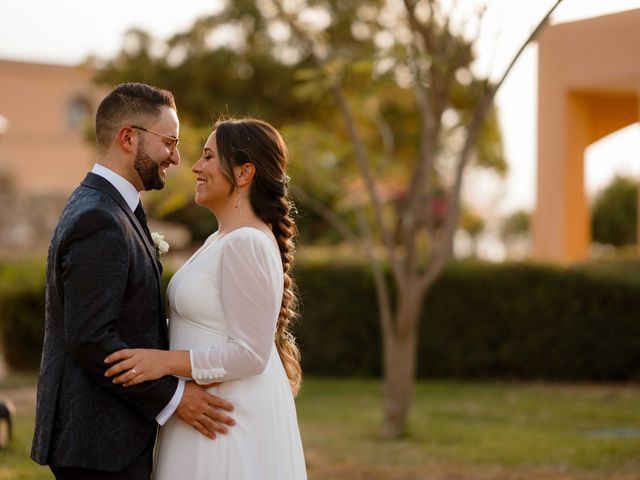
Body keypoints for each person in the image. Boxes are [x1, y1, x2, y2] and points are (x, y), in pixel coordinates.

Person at [31, 82, 236, 480]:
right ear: (128, 138)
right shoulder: (99, 218)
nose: (176, 157)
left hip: (110, 436)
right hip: (98, 442)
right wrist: (174, 398)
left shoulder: (112, 207)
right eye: (169, 142)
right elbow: (91, 337)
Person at [103, 118, 307, 479]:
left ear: (244, 173)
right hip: (206, 412)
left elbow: (249, 355)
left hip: (226, 422)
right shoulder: (222, 239)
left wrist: (163, 362)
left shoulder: (246, 243)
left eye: (209, 156)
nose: (195, 166)